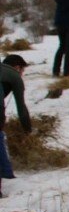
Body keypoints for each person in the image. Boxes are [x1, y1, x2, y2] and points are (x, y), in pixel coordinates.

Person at [1, 55, 32, 199]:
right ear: (17, 67)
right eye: (22, 70)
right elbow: (21, 108)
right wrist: (28, 131)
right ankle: (7, 175)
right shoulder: (14, 76)